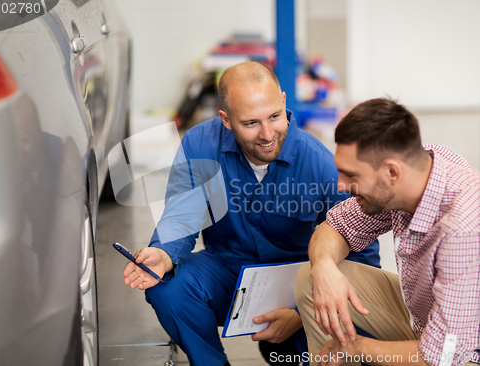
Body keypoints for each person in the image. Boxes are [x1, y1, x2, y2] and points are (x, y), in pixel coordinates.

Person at [122, 61, 380, 366]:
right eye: (251, 123)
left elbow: (361, 257)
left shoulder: (320, 163)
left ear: (284, 102)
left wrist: (299, 314)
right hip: (227, 271)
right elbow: (182, 213)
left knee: (353, 325)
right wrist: (164, 254)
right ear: (226, 119)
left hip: (299, 286)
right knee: (168, 286)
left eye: (274, 116)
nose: (268, 134)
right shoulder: (201, 144)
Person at [295, 98, 480, 366]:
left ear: (392, 171)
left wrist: (357, 347)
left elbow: (447, 354)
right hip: (426, 320)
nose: (341, 185)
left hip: (463, 354)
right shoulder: (419, 167)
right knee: (312, 279)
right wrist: (323, 267)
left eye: (350, 175)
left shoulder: (462, 229)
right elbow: (335, 226)